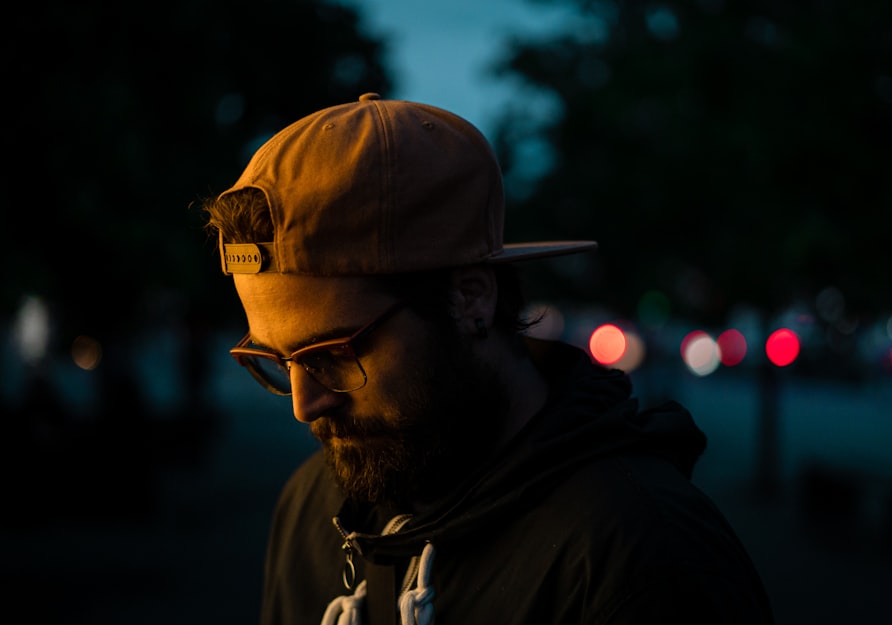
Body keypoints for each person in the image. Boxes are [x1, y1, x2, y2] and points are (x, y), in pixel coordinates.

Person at [200, 92, 774, 625]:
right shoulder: (312, 508)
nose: (305, 405)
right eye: (274, 359)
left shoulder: (644, 557)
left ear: (470, 297)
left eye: (332, 352)